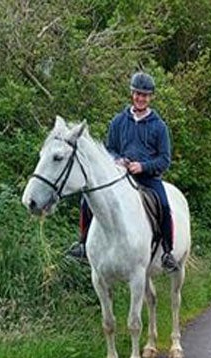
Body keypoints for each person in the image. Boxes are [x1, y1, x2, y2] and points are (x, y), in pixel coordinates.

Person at [68, 71, 178, 272]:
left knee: (164, 204)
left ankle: (167, 253)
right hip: (121, 176)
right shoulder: (118, 121)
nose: (140, 98)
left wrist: (143, 166)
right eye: (137, 93)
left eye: (144, 95)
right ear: (132, 93)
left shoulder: (159, 127)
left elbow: (164, 159)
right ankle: (82, 243)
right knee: (87, 199)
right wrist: (117, 160)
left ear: (150, 97)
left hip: (147, 179)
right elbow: (110, 149)